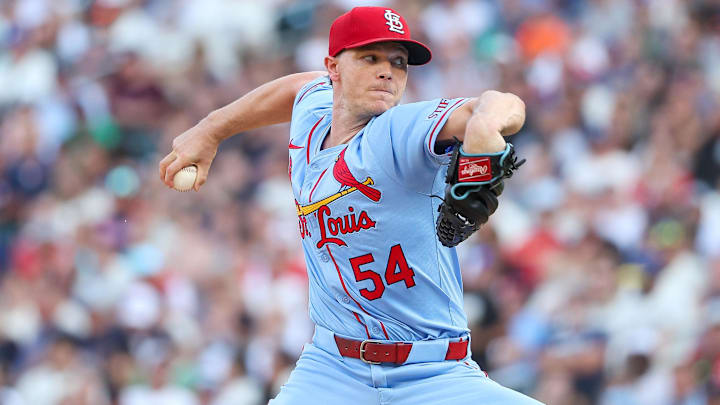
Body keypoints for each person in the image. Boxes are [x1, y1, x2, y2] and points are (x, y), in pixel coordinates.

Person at [159, 6, 542, 405]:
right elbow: (295, 88)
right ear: (333, 68)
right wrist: (211, 129)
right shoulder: (312, 116)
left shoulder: (398, 131)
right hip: (331, 368)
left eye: (398, 62)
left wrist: (483, 125)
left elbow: (500, 105)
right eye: (370, 58)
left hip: (433, 373)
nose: (387, 71)